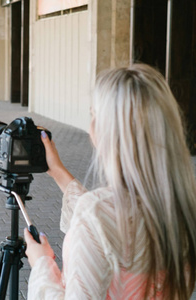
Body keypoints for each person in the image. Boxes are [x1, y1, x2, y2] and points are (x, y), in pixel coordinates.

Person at [24, 63, 196, 299]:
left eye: (94, 115)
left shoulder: (95, 212)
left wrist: (41, 263)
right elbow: (112, 219)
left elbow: (101, 219)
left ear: (103, 130)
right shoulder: (184, 204)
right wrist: (58, 172)